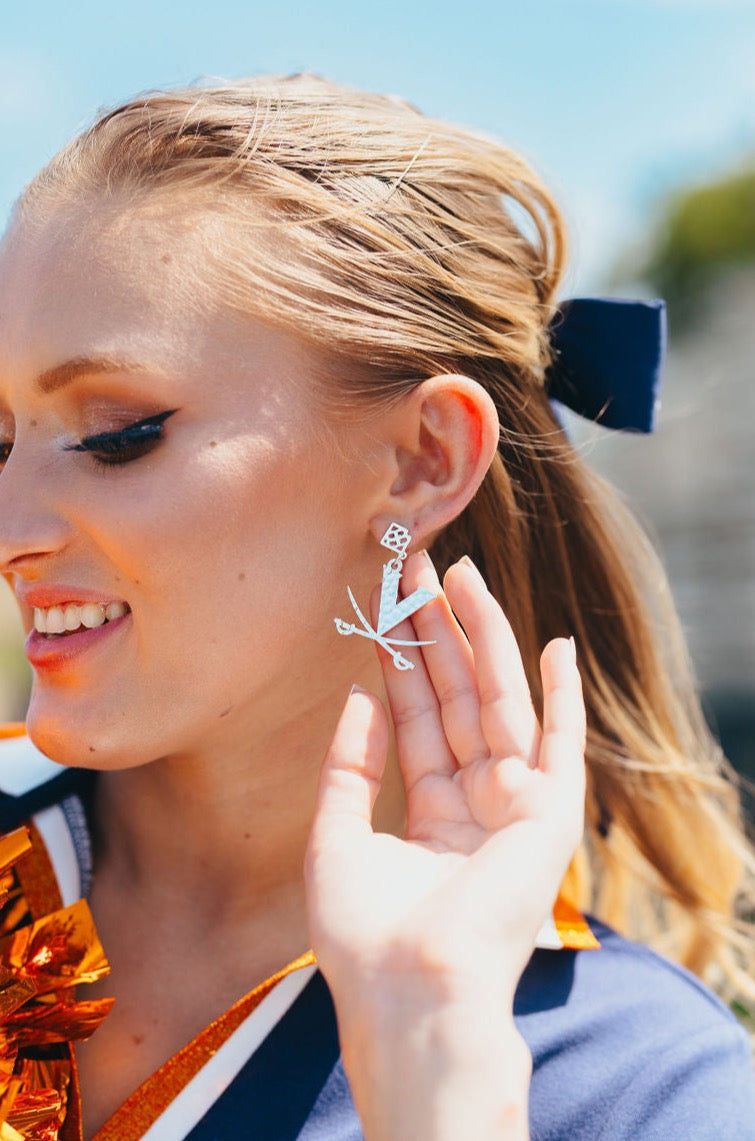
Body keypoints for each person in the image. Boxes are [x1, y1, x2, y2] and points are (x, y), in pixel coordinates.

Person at [0, 72, 752, 1140]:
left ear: (419, 458)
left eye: (115, 431)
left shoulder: (642, 1088)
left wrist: (436, 1085)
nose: (10, 528)